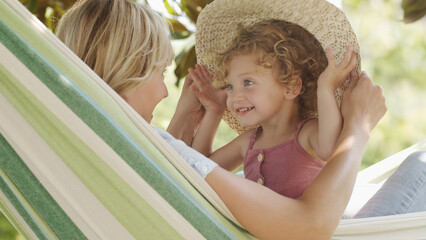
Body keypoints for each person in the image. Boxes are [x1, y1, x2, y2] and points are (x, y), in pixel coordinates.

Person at [54, 0, 425, 239]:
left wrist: (190, 115)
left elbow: (190, 171)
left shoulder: (79, 155)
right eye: (159, 72)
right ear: (131, 69)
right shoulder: (145, 149)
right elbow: (310, 226)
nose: (165, 91)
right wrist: (358, 125)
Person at [188, 19, 358, 199]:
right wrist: (214, 111)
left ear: (291, 87)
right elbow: (199, 170)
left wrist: (325, 88)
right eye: (230, 86)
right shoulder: (248, 142)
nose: (234, 96)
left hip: (310, 226)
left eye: (247, 82)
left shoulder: (307, 133)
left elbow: (330, 149)